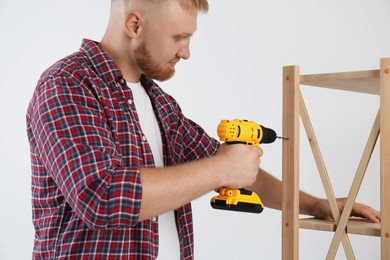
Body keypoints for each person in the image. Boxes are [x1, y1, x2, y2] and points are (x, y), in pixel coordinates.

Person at [26, 0, 380, 259]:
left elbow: (234, 169)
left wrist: (316, 205)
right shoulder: (68, 85)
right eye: (179, 36)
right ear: (134, 24)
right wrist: (221, 168)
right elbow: (101, 196)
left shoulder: (159, 103)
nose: (187, 51)